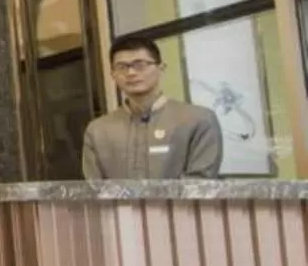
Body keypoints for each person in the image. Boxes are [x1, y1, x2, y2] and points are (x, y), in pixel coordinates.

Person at [81, 34, 224, 181]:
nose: (131, 73)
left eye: (140, 65)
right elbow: (95, 191)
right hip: (118, 205)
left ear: (161, 68)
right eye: (122, 67)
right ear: (113, 75)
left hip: (181, 205)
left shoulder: (198, 120)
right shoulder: (97, 130)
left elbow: (201, 184)